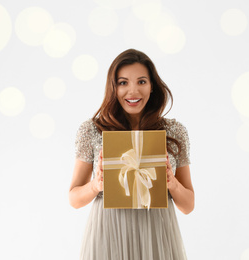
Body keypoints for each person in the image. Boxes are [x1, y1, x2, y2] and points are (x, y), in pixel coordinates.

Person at [68, 49, 194, 260]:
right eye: (123, 82)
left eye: (142, 82)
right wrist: (96, 185)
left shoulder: (174, 131)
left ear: (152, 86)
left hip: (158, 233)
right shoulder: (91, 130)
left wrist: (172, 183)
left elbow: (188, 205)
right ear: (113, 87)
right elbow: (74, 198)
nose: (133, 91)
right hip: (108, 233)